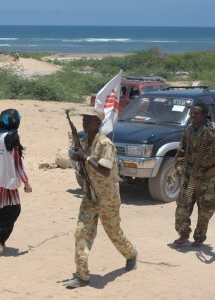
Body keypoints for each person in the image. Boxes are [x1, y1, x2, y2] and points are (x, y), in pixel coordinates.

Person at [65, 107, 137, 289]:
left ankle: (131, 254)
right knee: (81, 234)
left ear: (98, 123)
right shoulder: (83, 141)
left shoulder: (106, 145)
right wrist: (75, 155)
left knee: (114, 234)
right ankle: (82, 276)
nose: (84, 122)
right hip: (90, 196)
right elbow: (76, 158)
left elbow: (105, 171)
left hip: (107, 199)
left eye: (89, 120)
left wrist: (86, 158)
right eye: (84, 120)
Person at [174, 103, 215, 247]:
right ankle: (183, 234)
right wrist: (180, 167)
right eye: (191, 113)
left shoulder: (214, 131)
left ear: (204, 115)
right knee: (183, 206)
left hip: (207, 178)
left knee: (206, 208)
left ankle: (199, 237)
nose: (192, 116)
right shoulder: (188, 130)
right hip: (189, 177)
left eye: (196, 113)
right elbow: (181, 152)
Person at [0, 109, 32, 250]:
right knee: (13, 210)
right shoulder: (12, 138)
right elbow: (18, 163)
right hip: (8, 181)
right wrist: (26, 182)